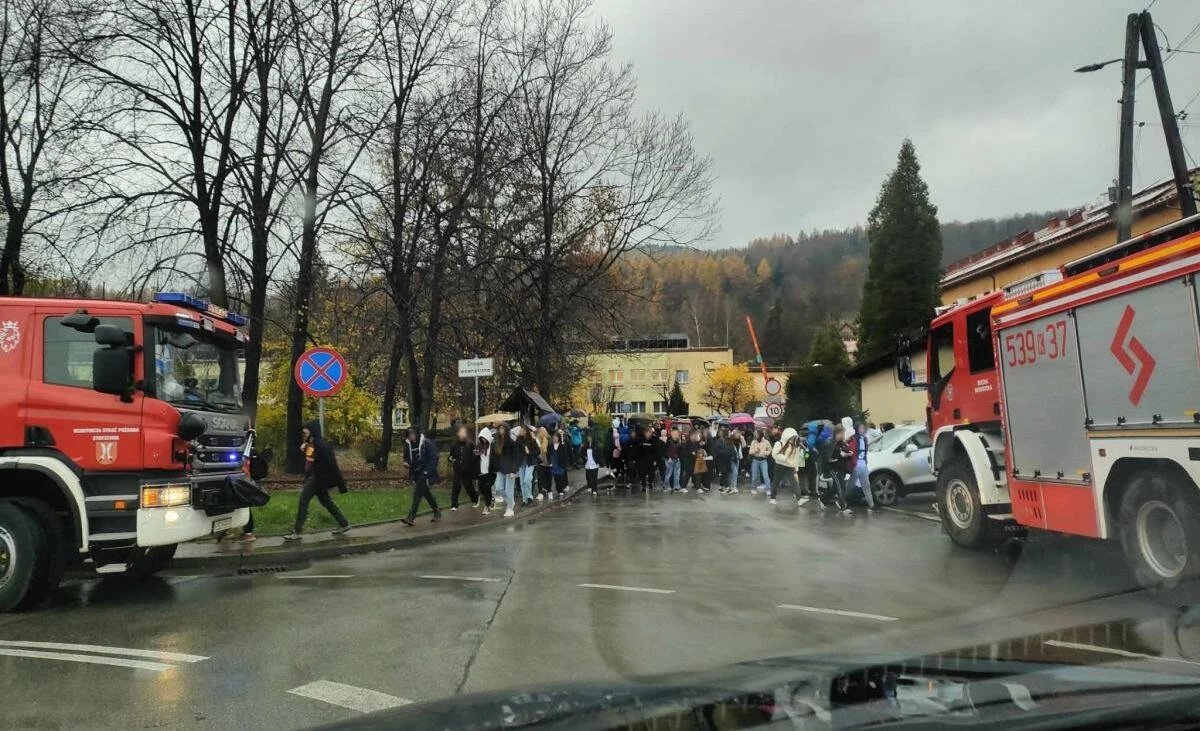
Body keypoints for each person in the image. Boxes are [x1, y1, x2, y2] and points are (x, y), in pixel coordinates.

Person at [284, 421, 351, 541]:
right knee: (326, 502)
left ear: (312, 430)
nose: (304, 431)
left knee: (303, 501)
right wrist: (305, 448)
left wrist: (337, 483)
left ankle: (297, 531)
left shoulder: (320, 444)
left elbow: (329, 464)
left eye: (306, 429)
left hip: (317, 478)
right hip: (317, 478)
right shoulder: (313, 443)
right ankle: (344, 524)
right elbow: (310, 459)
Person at [401, 428, 442, 526]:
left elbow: (433, 458)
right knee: (425, 493)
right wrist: (406, 463)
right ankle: (437, 511)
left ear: (416, 434)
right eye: (409, 435)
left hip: (424, 471)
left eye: (412, 435)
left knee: (417, 494)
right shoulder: (408, 445)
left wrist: (427, 472)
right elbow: (406, 457)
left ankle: (411, 517)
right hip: (415, 472)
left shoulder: (425, 443)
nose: (411, 437)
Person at [770, 427, 805, 505]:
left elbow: (796, 457)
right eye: (792, 438)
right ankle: (772, 497)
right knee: (776, 482)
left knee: (794, 482)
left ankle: (799, 499)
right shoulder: (779, 443)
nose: (793, 440)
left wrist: (796, 466)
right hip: (779, 465)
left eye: (795, 438)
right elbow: (774, 455)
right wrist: (786, 459)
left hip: (790, 467)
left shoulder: (795, 446)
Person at [448, 426, 479, 511]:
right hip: (457, 469)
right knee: (456, 486)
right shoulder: (454, 444)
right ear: (458, 434)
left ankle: (475, 500)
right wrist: (450, 459)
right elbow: (451, 456)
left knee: (469, 487)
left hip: (467, 469)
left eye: (464, 432)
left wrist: (475, 456)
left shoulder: (470, 444)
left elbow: (475, 455)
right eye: (461, 432)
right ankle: (454, 505)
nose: (462, 434)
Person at [493, 423, 521, 517]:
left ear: (506, 430)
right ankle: (511, 502)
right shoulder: (497, 442)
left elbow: (515, 457)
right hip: (500, 469)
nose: (501, 430)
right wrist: (495, 467)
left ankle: (510, 508)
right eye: (499, 429)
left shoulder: (511, 442)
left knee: (509, 490)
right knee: (499, 488)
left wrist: (514, 470)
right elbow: (495, 457)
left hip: (510, 469)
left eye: (502, 429)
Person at [848, 421, 875, 510]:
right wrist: (854, 463)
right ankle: (841, 500)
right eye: (861, 428)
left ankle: (871, 505)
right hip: (857, 464)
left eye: (864, 428)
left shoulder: (864, 439)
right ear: (857, 429)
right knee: (850, 485)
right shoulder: (854, 439)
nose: (863, 430)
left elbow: (865, 451)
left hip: (863, 464)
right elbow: (853, 452)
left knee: (866, 485)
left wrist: (865, 461)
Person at [518, 426, 539, 506]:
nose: (521, 431)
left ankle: (529, 496)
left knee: (527, 480)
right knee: (522, 482)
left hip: (530, 463)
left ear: (526, 431)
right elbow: (516, 452)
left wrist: (529, 452)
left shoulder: (532, 441)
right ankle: (524, 499)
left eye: (522, 430)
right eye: (520, 430)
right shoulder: (518, 441)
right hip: (521, 464)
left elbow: (538, 451)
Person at [476, 428, 495, 516]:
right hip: (481, 472)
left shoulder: (492, 446)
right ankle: (491, 499)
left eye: (484, 438)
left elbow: (496, 458)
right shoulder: (480, 446)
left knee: (487, 489)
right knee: (482, 489)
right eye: (481, 438)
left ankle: (487, 506)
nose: (483, 440)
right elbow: (477, 458)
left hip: (490, 472)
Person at [748, 429, 771, 494]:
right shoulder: (753, 442)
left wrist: (764, 452)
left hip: (763, 460)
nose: (755, 435)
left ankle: (768, 489)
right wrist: (755, 451)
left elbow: (770, 451)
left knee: (765, 476)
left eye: (756, 434)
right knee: (754, 476)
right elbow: (750, 452)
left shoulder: (766, 442)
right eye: (755, 434)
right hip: (755, 460)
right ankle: (753, 488)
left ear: (760, 435)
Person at [548, 431, 570, 499]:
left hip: (560, 464)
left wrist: (565, 463)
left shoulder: (562, 446)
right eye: (553, 437)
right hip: (553, 464)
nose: (554, 439)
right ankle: (559, 489)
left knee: (561, 477)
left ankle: (561, 490)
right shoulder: (550, 446)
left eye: (556, 437)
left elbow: (565, 455)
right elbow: (548, 454)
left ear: (558, 438)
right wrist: (549, 462)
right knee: (556, 479)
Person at [710, 426, 732, 493]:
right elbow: (716, 450)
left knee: (724, 473)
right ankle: (727, 487)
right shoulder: (719, 440)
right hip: (721, 460)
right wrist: (725, 452)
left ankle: (721, 486)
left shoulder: (726, 440)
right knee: (724, 473)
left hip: (726, 460)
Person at [634, 426, 655, 492]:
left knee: (650, 473)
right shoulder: (641, 439)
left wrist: (655, 459)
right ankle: (643, 486)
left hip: (650, 459)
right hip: (642, 460)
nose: (648, 434)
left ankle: (650, 483)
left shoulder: (653, 440)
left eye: (649, 432)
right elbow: (638, 450)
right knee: (643, 473)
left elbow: (655, 450)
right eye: (647, 432)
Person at [534, 426, 552, 501]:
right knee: (540, 477)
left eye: (544, 431)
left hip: (548, 462)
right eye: (541, 431)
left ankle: (549, 491)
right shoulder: (536, 440)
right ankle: (541, 492)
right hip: (540, 462)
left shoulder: (549, 440)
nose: (542, 433)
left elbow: (551, 451)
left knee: (549, 477)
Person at [663, 428, 682, 492]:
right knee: (668, 474)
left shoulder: (679, 441)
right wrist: (668, 458)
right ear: (671, 434)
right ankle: (666, 486)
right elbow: (666, 451)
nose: (675, 435)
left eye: (677, 433)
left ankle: (676, 486)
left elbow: (679, 451)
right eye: (674, 433)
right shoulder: (668, 441)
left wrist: (679, 457)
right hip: (670, 460)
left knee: (677, 474)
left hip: (677, 459)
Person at [728, 428, 746, 493]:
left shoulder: (739, 441)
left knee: (733, 473)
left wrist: (742, 438)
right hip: (732, 458)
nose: (737, 434)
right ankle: (733, 486)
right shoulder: (730, 440)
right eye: (736, 433)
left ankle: (732, 486)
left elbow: (744, 445)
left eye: (738, 433)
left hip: (738, 458)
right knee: (735, 472)